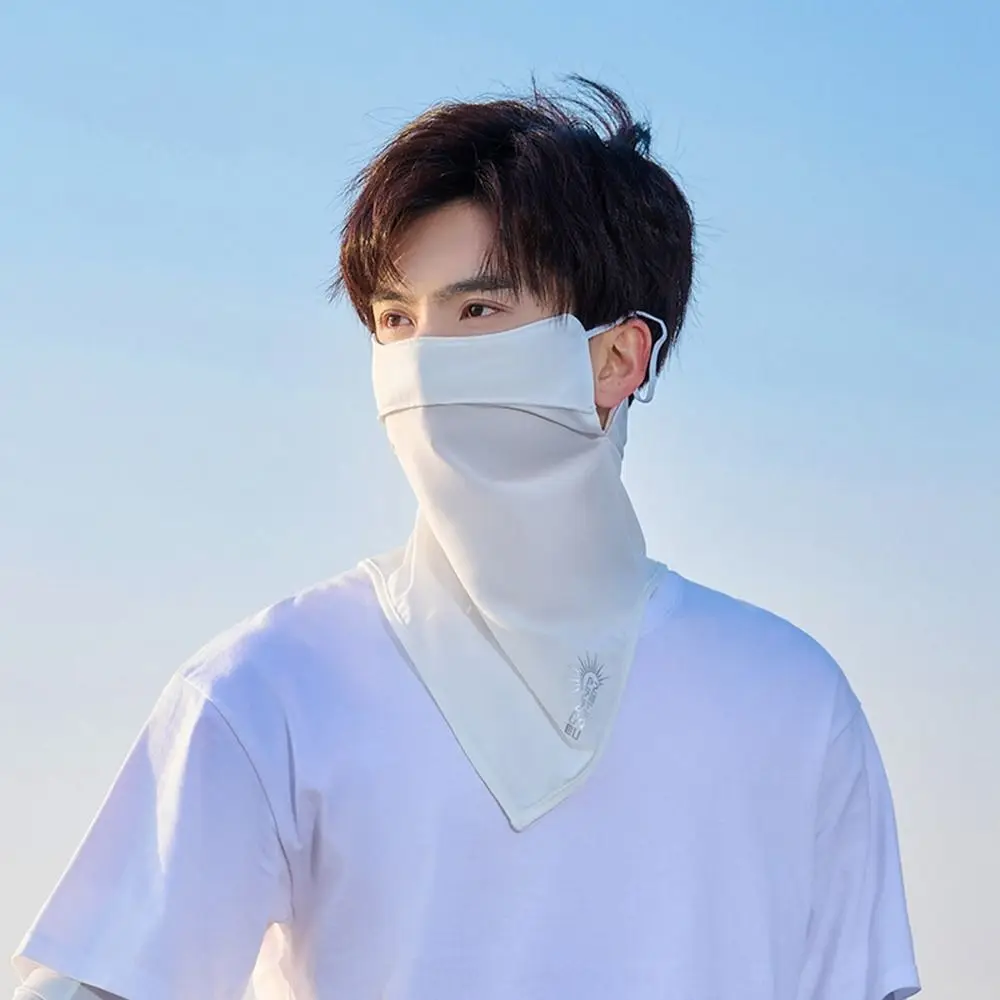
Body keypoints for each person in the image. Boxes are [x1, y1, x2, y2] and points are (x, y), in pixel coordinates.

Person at [11, 78, 921, 1000]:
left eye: (477, 313)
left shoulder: (792, 701)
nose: (422, 363)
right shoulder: (269, 690)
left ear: (617, 358)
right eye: (397, 321)